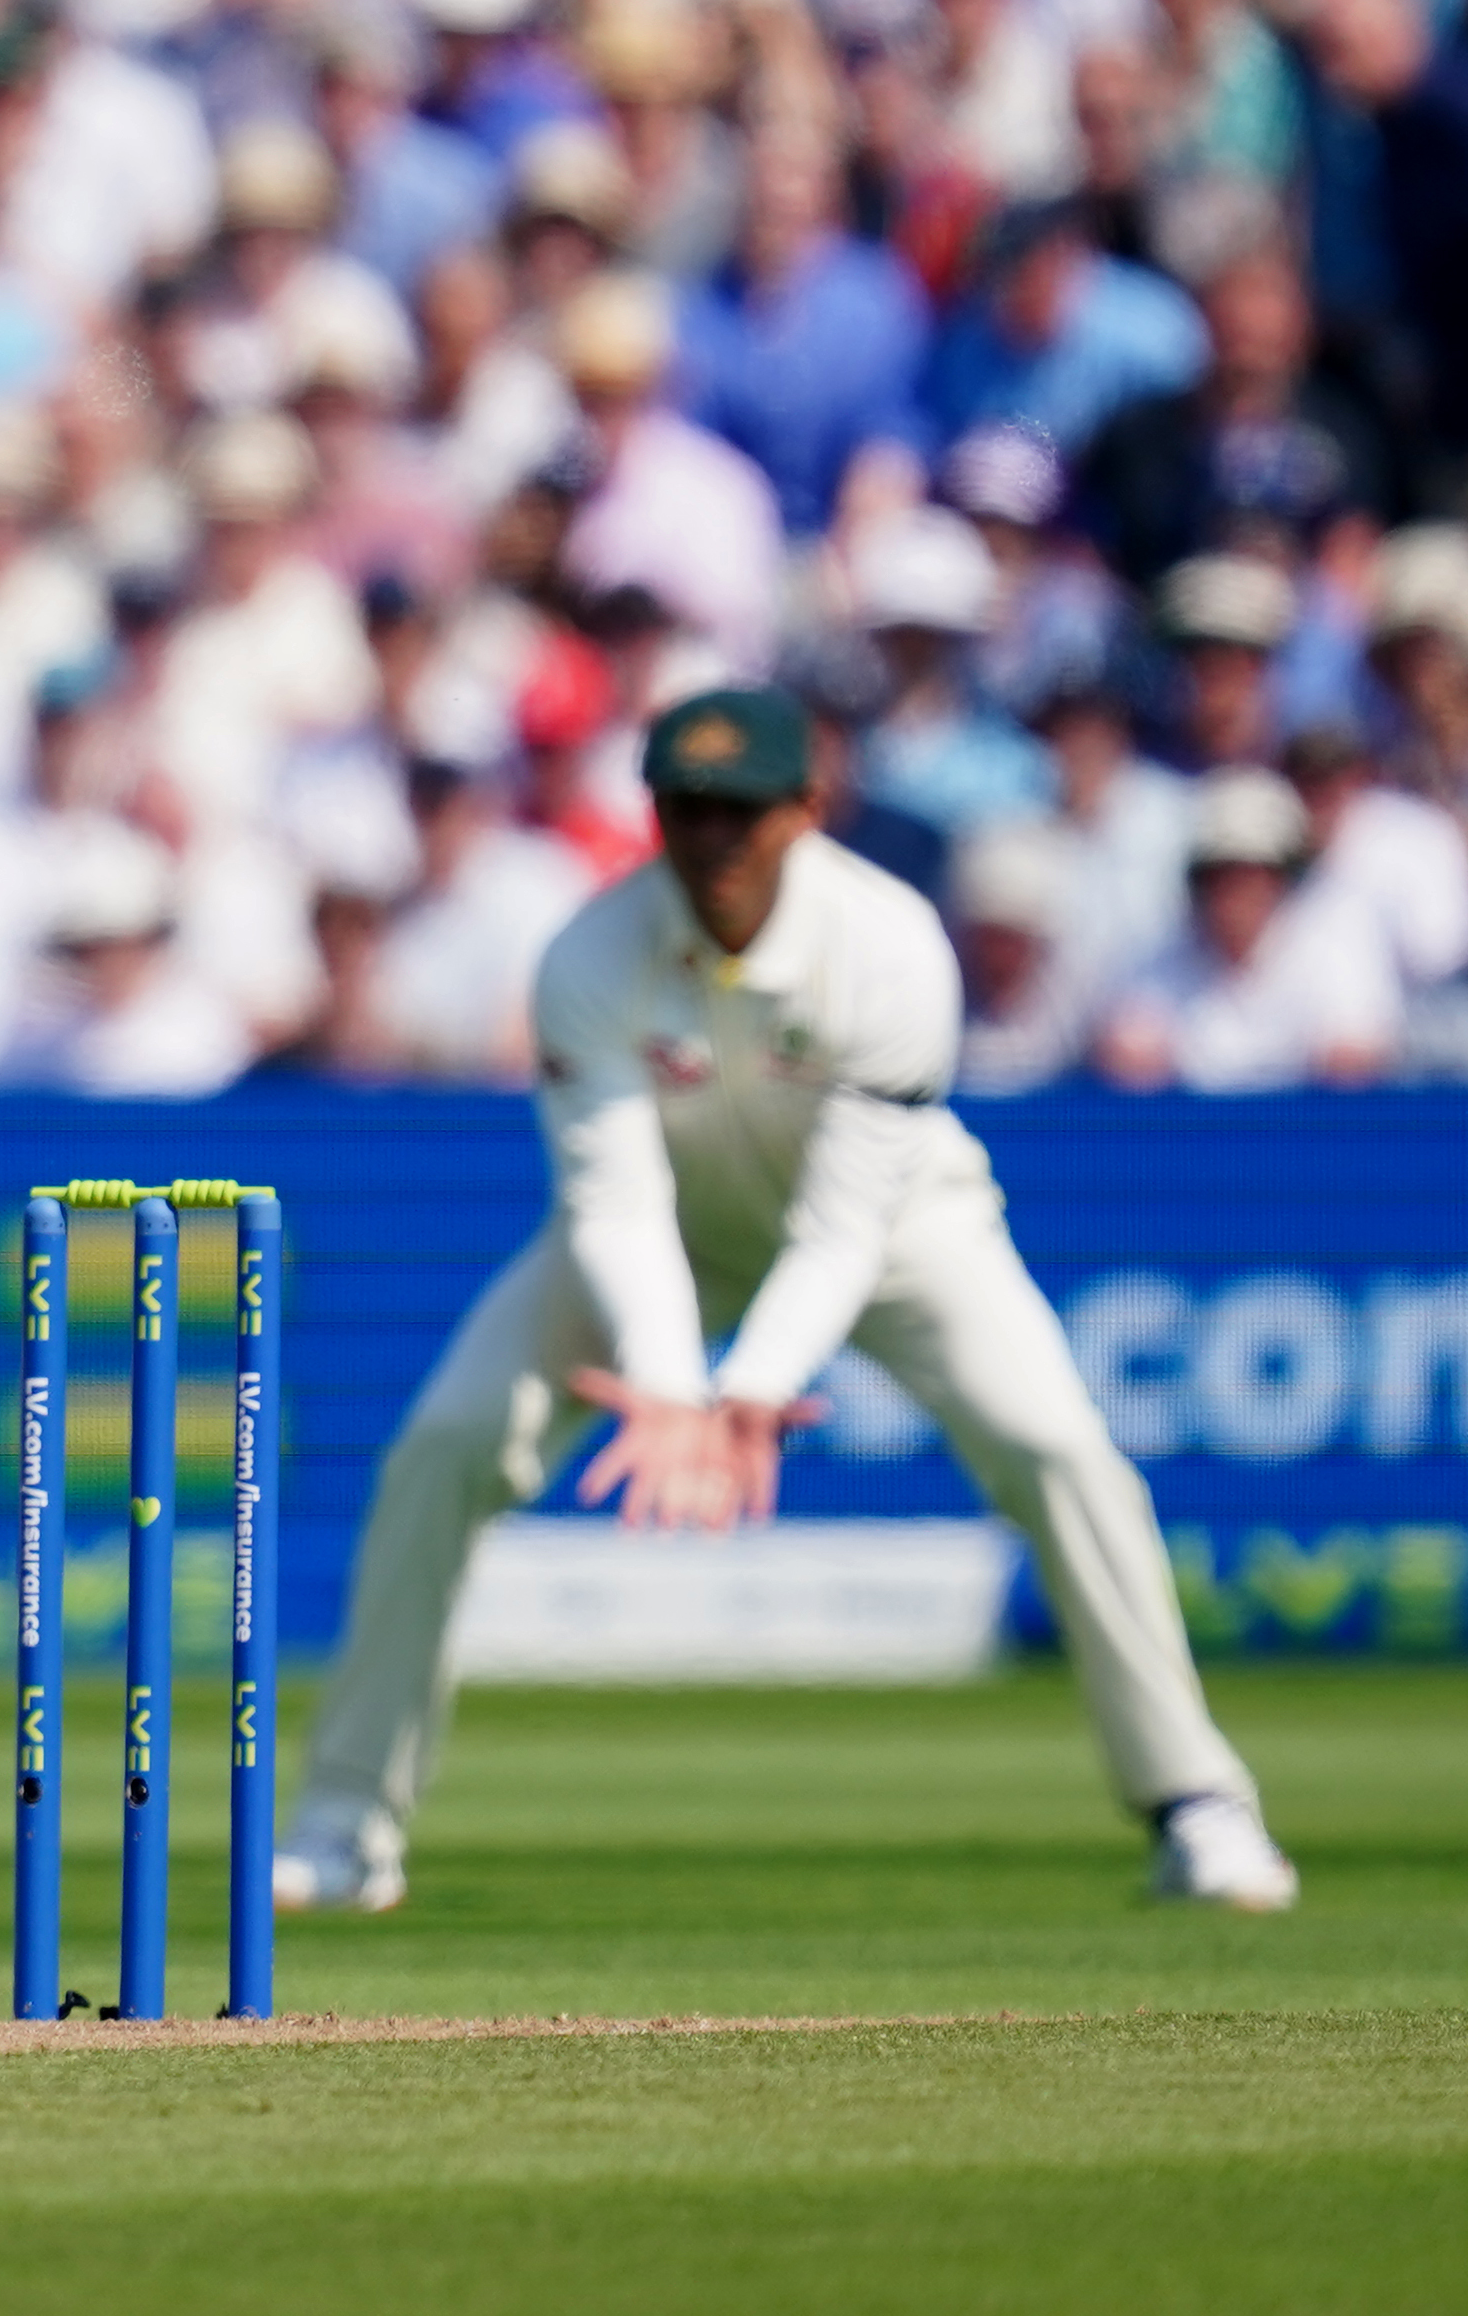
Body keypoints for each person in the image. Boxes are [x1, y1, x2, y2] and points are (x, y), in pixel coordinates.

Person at [271, 686, 1293, 1919]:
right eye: (686, 809)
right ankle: (344, 1820)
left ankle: (1198, 1803)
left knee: (1059, 1447)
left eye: (740, 812)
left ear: (807, 808)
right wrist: (667, 1380)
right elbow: (617, 1207)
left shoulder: (893, 943)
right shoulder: (589, 956)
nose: (712, 840)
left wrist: (744, 1389)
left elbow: (842, 1227)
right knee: (444, 1442)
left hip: (911, 1228)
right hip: (673, 1241)